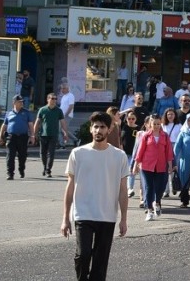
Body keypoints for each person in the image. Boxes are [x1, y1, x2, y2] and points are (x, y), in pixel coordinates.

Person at [61, 110, 130, 281]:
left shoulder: (119, 156)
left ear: (109, 130)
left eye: (102, 127)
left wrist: (124, 219)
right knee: (83, 254)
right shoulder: (78, 153)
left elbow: (123, 190)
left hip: (107, 215)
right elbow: (70, 187)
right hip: (83, 213)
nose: (98, 130)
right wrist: (65, 218)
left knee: (100, 261)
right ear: (90, 129)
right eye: (96, 127)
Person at [131, 115, 173, 221]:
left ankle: (157, 202)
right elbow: (140, 151)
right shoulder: (146, 136)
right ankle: (149, 210)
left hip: (161, 166)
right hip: (147, 166)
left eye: (158, 124)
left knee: (160, 187)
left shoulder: (165, 136)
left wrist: (170, 165)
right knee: (148, 187)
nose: (156, 126)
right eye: (154, 124)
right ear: (150, 124)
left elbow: (169, 152)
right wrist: (135, 165)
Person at [34, 91, 70, 178]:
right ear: (48, 99)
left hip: (53, 135)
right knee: (43, 153)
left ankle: (48, 170)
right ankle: (44, 167)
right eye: (52, 98)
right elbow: (37, 122)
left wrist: (65, 133)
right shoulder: (42, 110)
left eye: (55, 99)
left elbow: (63, 122)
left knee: (51, 153)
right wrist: (34, 134)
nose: (54, 100)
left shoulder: (58, 110)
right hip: (43, 134)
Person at [0, 95, 34, 180]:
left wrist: (32, 136)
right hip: (11, 137)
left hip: (22, 137)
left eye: (22, 102)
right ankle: (10, 173)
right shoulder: (9, 113)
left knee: (22, 156)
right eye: (19, 102)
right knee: (10, 156)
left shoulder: (26, 112)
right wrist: (0, 136)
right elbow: (4, 125)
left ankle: (21, 169)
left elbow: (30, 125)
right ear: (14, 102)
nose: (21, 103)